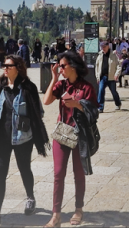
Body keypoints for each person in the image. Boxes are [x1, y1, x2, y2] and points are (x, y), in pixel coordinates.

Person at [0, 55, 49, 227]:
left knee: (25, 169)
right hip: (1, 138)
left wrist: (28, 119)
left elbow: (38, 111)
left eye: (8, 66)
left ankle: (30, 197)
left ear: (18, 67)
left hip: (22, 138)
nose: (5, 68)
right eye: (4, 65)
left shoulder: (28, 87)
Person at [43, 51, 99, 228]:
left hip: (80, 136)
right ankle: (56, 215)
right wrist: (53, 78)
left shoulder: (87, 88)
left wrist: (78, 105)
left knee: (78, 174)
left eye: (62, 66)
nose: (60, 69)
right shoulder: (62, 84)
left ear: (73, 66)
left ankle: (78, 209)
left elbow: (93, 114)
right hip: (62, 134)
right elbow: (46, 101)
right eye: (59, 66)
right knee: (58, 173)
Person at [94, 42, 121, 113]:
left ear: (108, 46)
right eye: (102, 47)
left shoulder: (113, 55)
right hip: (102, 77)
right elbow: (97, 66)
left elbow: (119, 66)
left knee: (114, 92)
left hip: (111, 77)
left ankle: (118, 103)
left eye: (104, 47)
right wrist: (97, 77)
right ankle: (100, 107)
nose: (103, 48)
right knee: (101, 91)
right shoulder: (100, 55)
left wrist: (116, 74)